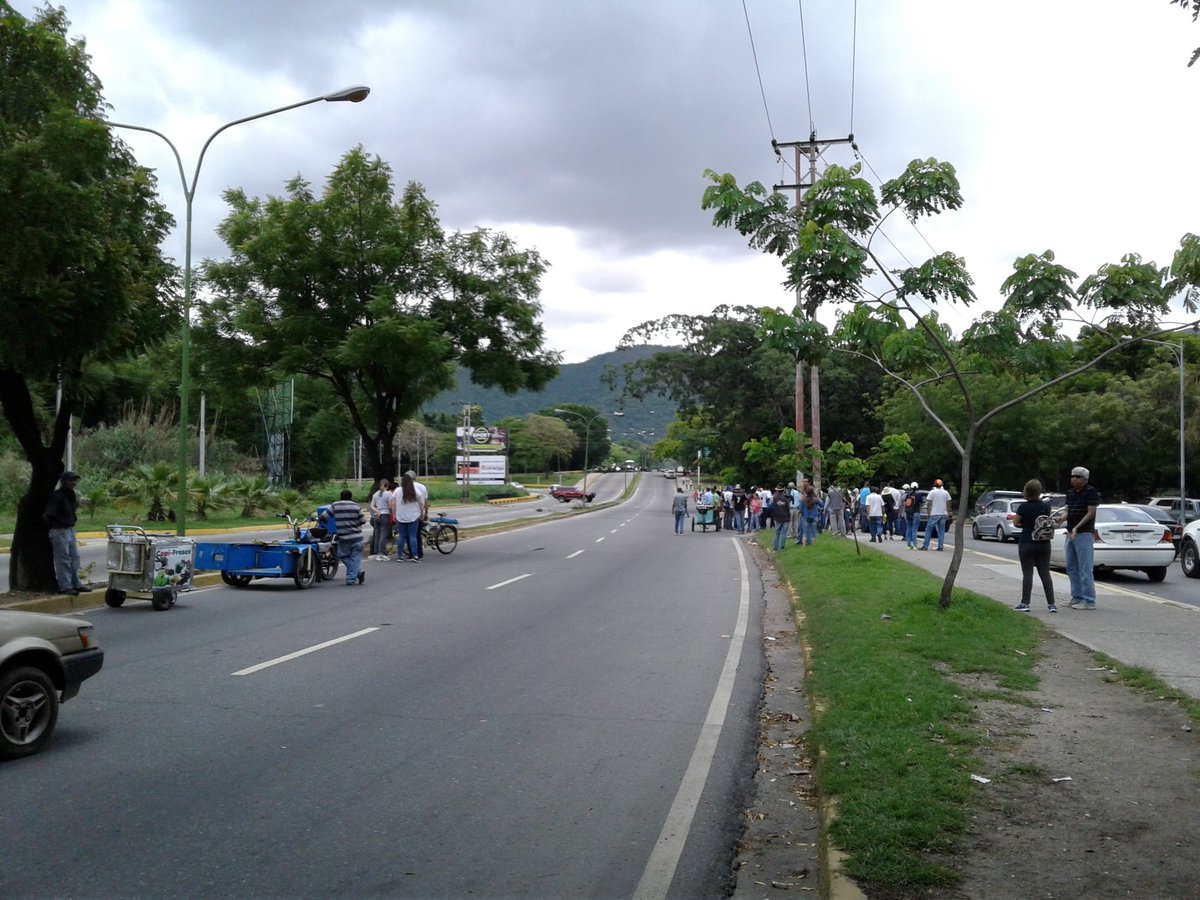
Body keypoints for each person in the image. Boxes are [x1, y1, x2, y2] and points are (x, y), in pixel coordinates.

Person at [1012, 479, 1056, 613]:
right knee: (1045, 573)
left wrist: (1024, 524)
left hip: (1027, 542)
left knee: (1028, 573)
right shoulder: (1046, 506)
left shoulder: (1023, 507)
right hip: (1043, 542)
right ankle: (1051, 604)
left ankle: (1025, 602)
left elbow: (1015, 523)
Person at [1060, 465, 1101, 609]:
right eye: (1072, 476)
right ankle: (1076, 597)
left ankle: (1089, 600)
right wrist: (1061, 519)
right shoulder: (1070, 493)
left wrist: (1077, 527)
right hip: (1070, 532)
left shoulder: (1091, 492)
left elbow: (1091, 512)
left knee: (1085, 568)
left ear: (1085, 479)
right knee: (1071, 567)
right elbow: (1067, 511)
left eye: (1077, 477)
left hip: (1084, 533)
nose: (1074, 479)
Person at [44, 470, 89, 595]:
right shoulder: (57, 496)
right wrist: (53, 528)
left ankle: (76, 584)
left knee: (74, 558)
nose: (73, 483)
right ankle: (65, 586)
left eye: (74, 480)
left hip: (69, 529)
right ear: (63, 481)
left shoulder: (71, 494)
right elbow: (48, 515)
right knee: (63, 559)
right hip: (59, 530)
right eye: (70, 480)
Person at [326, 489, 366, 586]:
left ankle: (351, 579)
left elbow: (324, 516)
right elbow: (363, 520)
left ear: (341, 497)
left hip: (343, 538)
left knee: (342, 556)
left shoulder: (335, 505)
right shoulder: (356, 506)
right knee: (355, 557)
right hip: (357, 537)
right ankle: (358, 572)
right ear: (351, 497)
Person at [391, 472, 425, 562]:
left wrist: (394, 514)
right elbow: (421, 504)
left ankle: (400, 556)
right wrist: (422, 514)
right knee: (413, 536)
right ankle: (414, 555)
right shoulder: (415, 491)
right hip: (413, 516)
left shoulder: (397, 490)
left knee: (401, 536)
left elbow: (393, 503)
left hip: (400, 516)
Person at [920, 479, 951, 551]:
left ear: (935, 485)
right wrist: (947, 512)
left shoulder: (932, 492)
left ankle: (925, 546)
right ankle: (940, 547)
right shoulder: (946, 492)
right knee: (941, 531)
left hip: (934, 513)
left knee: (928, 530)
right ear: (941, 485)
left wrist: (928, 513)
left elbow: (929, 503)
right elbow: (949, 502)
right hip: (943, 513)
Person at [369, 480, 393, 560]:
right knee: (384, 534)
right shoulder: (389, 494)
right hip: (385, 515)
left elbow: (372, 505)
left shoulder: (375, 494)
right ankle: (381, 552)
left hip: (377, 516)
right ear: (387, 485)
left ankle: (376, 552)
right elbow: (390, 506)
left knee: (377, 534)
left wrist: (377, 511)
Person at [771, 485, 791, 552]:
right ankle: (781, 548)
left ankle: (775, 548)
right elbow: (788, 507)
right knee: (784, 533)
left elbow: (772, 505)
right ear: (783, 490)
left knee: (777, 532)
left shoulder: (774, 497)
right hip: (786, 516)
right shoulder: (786, 497)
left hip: (777, 516)